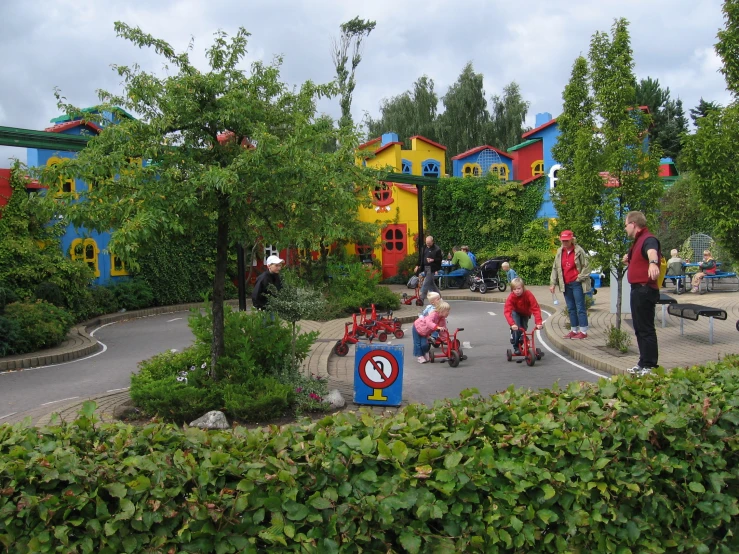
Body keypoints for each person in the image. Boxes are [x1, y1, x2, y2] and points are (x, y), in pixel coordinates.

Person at [622, 210, 661, 376]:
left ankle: (650, 364)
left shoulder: (648, 239)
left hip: (644, 289)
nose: (625, 229)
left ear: (633, 224)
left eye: (626, 225)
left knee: (645, 328)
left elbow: (652, 252)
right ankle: (643, 362)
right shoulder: (638, 241)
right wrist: (628, 258)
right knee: (639, 328)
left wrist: (653, 263)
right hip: (638, 290)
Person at [549, 230, 591, 339]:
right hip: (565, 284)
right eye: (563, 241)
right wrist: (553, 283)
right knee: (571, 308)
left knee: (580, 307)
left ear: (572, 239)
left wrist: (579, 278)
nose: (565, 243)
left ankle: (583, 331)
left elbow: (587, 266)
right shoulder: (559, 251)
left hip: (576, 283)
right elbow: (555, 268)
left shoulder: (579, 251)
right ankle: (574, 330)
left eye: (567, 241)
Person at [504, 277, 543, 355]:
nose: (517, 291)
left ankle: (521, 339)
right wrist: (512, 324)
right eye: (514, 289)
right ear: (512, 290)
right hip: (516, 312)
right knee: (517, 327)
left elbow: (535, 308)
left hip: (526, 313)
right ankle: (516, 347)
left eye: (519, 288)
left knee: (524, 328)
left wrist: (539, 322)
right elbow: (507, 311)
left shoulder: (528, 294)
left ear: (523, 287)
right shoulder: (511, 297)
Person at [414, 235, 442, 303]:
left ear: (432, 242)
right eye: (427, 243)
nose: (428, 244)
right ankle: (439, 296)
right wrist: (417, 265)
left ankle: (421, 299)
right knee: (431, 284)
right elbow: (421, 257)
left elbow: (440, 259)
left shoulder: (437, 249)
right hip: (425, 267)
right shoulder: (424, 247)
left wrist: (433, 260)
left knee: (426, 282)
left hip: (432, 268)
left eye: (429, 243)